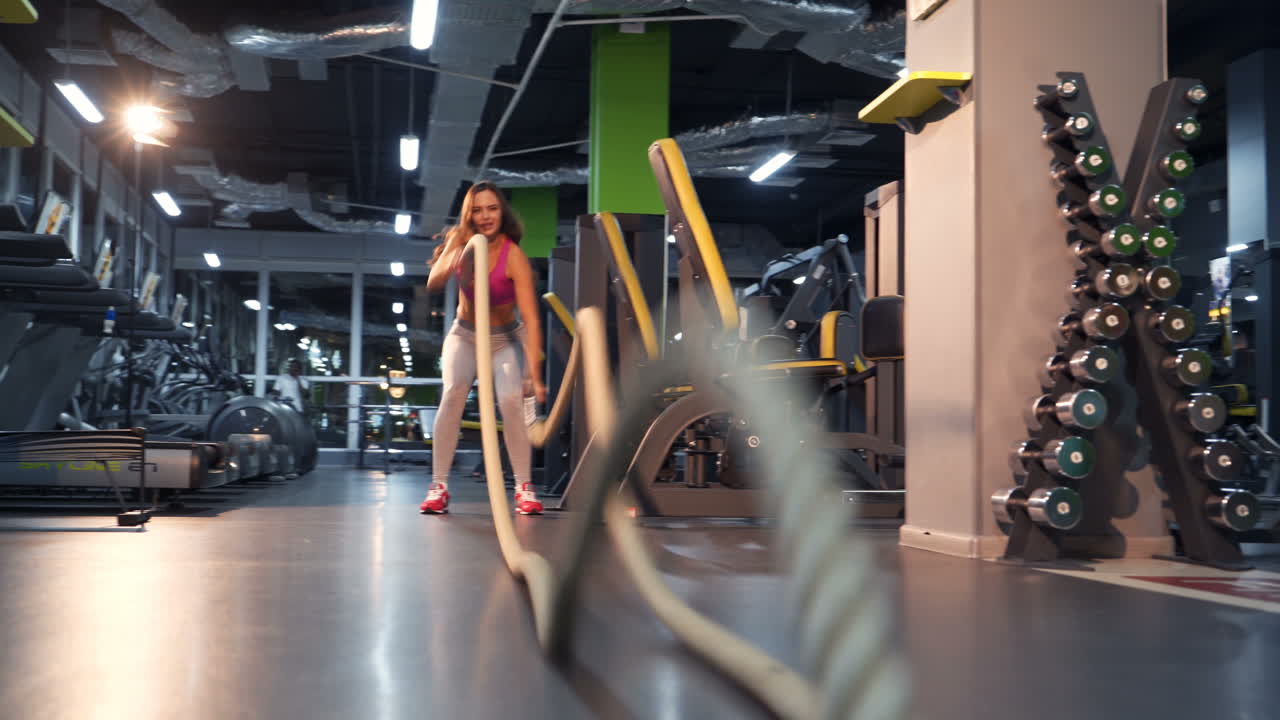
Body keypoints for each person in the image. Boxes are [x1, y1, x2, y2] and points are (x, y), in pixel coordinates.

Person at [420, 181, 546, 515]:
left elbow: (531, 319)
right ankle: (439, 485)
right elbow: (433, 282)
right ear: (469, 214)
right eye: (477, 209)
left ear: (501, 211)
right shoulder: (460, 240)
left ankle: (524, 487)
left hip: (505, 338)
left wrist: (534, 374)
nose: (485, 216)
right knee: (454, 391)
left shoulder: (513, 255)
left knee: (510, 400)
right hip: (465, 334)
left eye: (492, 208)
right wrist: (457, 255)